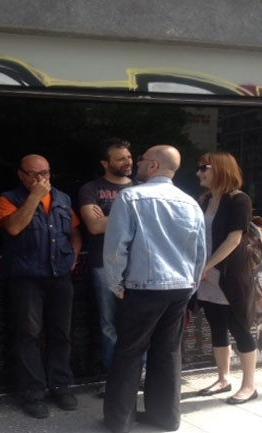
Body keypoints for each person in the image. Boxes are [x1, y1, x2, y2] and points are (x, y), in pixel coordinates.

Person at [102, 145, 206, 433]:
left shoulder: (131, 197)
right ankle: (166, 418)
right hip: (180, 287)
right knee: (168, 352)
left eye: (142, 160)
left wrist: (115, 284)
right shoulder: (190, 203)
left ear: (154, 166)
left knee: (129, 352)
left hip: (143, 287)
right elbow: (200, 252)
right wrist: (192, 285)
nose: (137, 164)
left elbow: (116, 248)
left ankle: (119, 422)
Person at [0, 154, 82, 419]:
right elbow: (13, 228)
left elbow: (74, 231)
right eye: (33, 174)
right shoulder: (8, 199)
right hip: (26, 277)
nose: (40, 178)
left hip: (59, 276)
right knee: (28, 335)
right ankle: (32, 393)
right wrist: (34, 197)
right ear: (21, 175)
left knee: (61, 333)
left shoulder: (62, 198)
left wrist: (73, 256)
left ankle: (60, 387)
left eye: (44, 173)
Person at [194, 151, 259, 405]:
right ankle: (223, 379)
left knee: (240, 328)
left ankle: (249, 386)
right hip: (207, 275)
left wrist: (207, 266)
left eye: (204, 168)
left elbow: (234, 239)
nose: (199, 173)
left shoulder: (239, 200)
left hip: (230, 275)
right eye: (199, 168)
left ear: (220, 169)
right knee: (217, 326)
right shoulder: (204, 200)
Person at [77, 137, 133, 396]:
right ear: (105, 163)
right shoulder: (91, 189)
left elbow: (105, 223)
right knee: (109, 325)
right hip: (104, 265)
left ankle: (139, 374)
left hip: (138, 266)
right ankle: (115, 378)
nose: (127, 161)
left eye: (129, 157)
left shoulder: (140, 187)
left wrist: (110, 217)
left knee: (138, 323)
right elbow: (94, 226)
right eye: (120, 158)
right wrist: (132, 215)